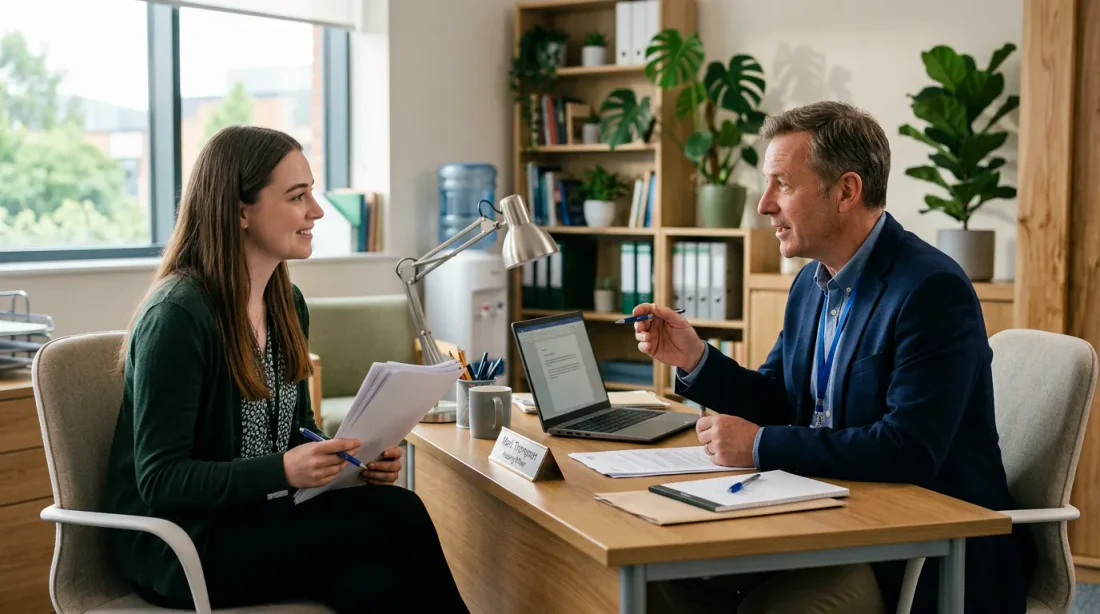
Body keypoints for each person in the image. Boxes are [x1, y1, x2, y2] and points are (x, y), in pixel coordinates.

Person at [635, 102, 1030, 614]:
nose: (763, 206)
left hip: (918, 548)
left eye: (783, 184)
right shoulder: (811, 282)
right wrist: (695, 359)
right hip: (826, 517)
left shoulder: (931, 290)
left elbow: (907, 448)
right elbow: (780, 398)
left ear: (846, 191)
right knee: (657, 577)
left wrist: (759, 447)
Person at [103, 126, 468, 613]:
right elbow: (162, 480)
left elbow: (298, 429)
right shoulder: (178, 316)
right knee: (398, 513)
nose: (316, 211)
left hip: (263, 519)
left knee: (376, 586)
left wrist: (348, 462)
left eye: (311, 193)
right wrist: (283, 470)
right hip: (188, 546)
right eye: (298, 196)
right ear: (240, 211)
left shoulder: (286, 304)